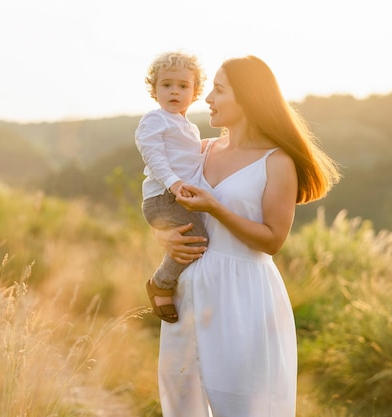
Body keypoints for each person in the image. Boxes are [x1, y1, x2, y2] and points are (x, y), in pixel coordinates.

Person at [153, 55, 341, 416]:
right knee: (180, 403)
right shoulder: (200, 149)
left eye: (219, 90)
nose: (206, 98)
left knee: (243, 406)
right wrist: (165, 236)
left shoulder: (276, 161)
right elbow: (163, 198)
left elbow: (272, 239)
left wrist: (216, 208)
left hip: (244, 295)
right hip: (189, 291)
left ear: (248, 99)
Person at [135, 51, 209, 323]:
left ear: (195, 92)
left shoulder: (189, 127)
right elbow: (153, 156)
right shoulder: (156, 119)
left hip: (176, 196)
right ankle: (162, 283)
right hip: (162, 198)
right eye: (166, 85)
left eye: (183, 85)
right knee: (197, 240)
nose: (174, 91)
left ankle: (184, 291)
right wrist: (173, 182)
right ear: (154, 90)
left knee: (199, 239)